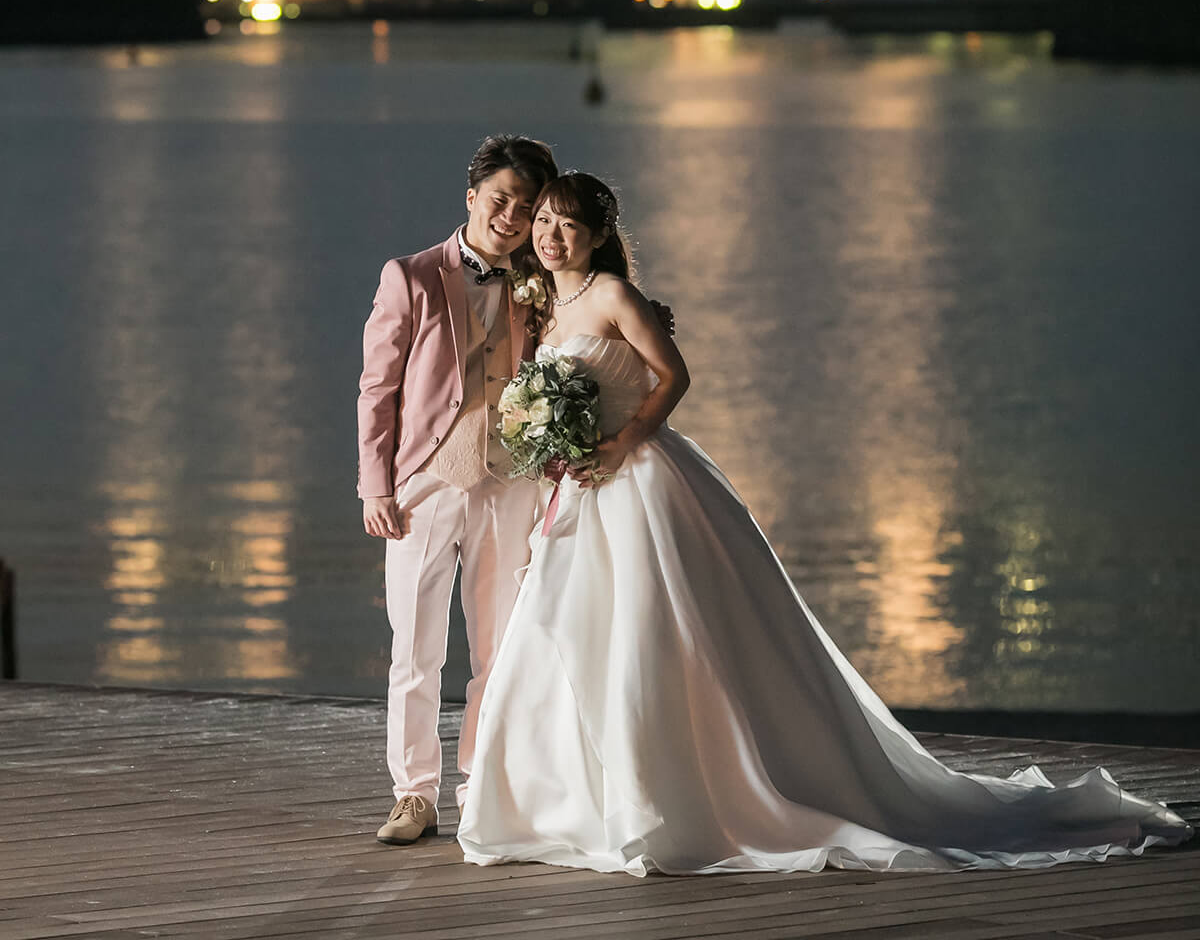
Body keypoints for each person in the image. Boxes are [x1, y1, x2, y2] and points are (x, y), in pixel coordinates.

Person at [458, 171, 1192, 877]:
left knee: (655, 630)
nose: (553, 235)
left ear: (597, 235)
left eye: (569, 224)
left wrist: (622, 440)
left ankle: (679, 798)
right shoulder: (545, 305)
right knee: (573, 629)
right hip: (582, 489)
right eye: (546, 222)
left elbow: (673, 375)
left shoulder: (615, 294)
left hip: (639, 479)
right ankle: (572, 797)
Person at [357, 132, 557, 845]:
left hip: (511, 485)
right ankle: (414, 794)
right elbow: (377, 390)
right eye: (501, 199)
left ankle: (480, 786)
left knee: (498, 650)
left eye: (526, 206)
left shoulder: (543, 285)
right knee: (416, 649)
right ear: (472, 197)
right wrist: (375, 485)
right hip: (426, 486)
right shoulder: (410, 277)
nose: (511, 215)